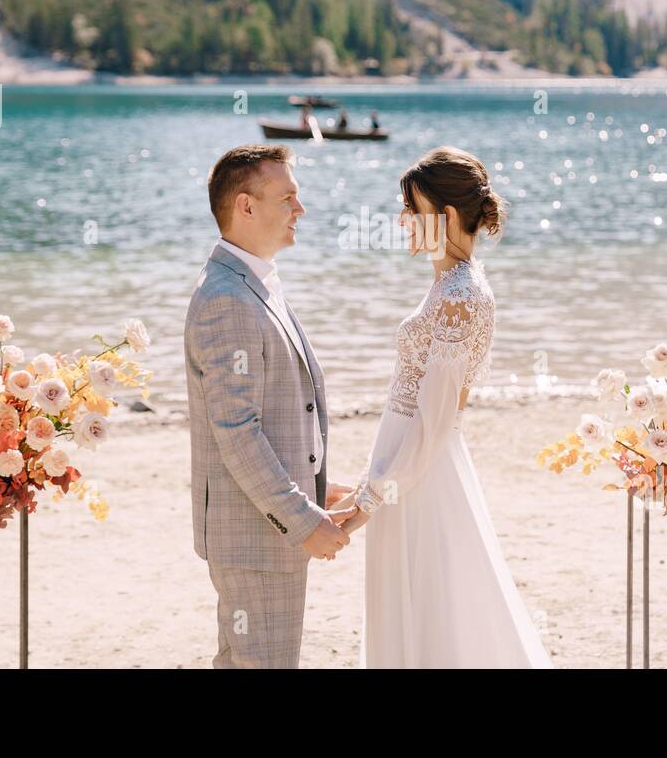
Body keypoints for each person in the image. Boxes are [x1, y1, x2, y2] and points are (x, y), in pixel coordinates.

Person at [334, 146, 554, 668]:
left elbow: (434, 420)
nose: (402, 220)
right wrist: (372, 480)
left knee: (433, 614)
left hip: (421, 477)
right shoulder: (447, 286)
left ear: (447, 216)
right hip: (406, 471)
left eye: (412, 209)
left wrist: (370, 498)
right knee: (418, 613)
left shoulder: (461, 296)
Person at [184, 144, 357, 668]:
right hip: (256, 537)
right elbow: (237, 430)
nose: (300, 210)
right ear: (247, 207)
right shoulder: (227, 299)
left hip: (262, 531)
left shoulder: (253, 284)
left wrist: (319, 487)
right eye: (289, 197)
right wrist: (303, 519)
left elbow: (278, 414)